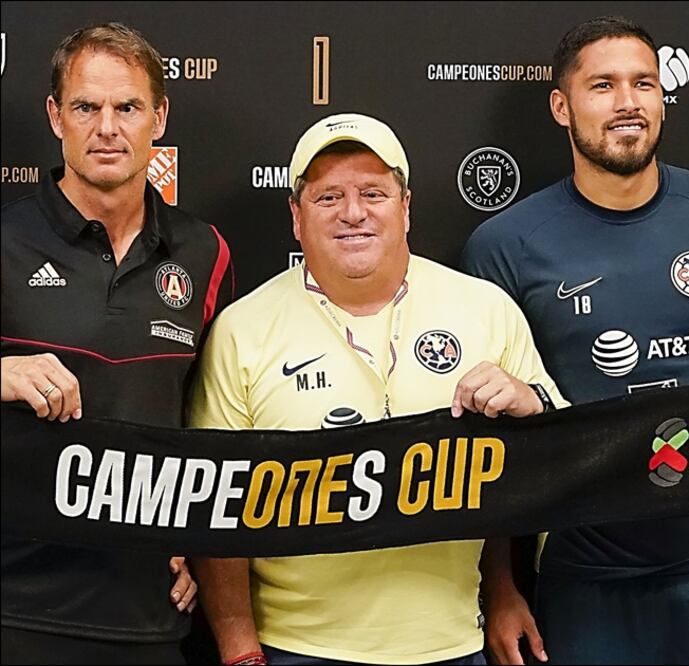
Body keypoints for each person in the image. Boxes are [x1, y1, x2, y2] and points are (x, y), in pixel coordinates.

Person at [461, 16, 689, 665]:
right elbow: (487, 443)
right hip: (582, 573)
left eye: (644, 83)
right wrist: (500, 588)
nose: (628, 102)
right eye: (603, 86)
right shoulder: (504, 246)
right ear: (561, 106)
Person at [188, 113, 565, 666]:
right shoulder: (242, 331)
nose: (353, 213)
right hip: (296, 649)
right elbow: (215, 509)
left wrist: (532, 406)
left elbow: (556, 459)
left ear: (405, 206)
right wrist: (240, 651)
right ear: (295, 216)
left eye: (373, 193)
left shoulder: (486, 310)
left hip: (453, 645)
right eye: (328, 197)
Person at [0, 22, 231, 664]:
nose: (107, 128)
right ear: (56, 116)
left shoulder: (204, 250)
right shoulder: (5, 240)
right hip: (14, 606)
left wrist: (199, 540)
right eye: (86, 107)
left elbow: (213, 421)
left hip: (150, 610)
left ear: (160, 117)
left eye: (127, 107)